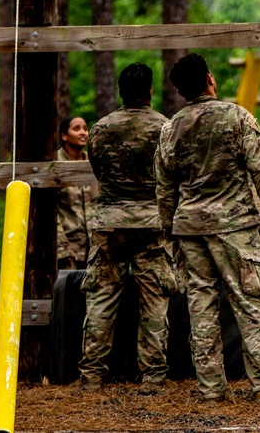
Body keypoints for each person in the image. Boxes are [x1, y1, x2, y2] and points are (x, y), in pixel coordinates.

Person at [154, 52, 260, 405]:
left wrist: (169, 232)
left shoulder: (169, 129)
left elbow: (164, 189)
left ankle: (211, 389)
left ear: (180, 91)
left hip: (189, 227)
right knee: (250, 301)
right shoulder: (237, 117)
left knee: (201, 307)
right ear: (210, 78)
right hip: (234, 225)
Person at [78, 65, 174, 390]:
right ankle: (153, 376)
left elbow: (97, 170)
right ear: (149, 90)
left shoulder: (101, 128)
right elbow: (172, 173)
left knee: (101, 298)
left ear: (120, 90)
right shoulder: (165, 128)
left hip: (110, 223)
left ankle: (91, 375)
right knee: (155, 299)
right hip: (152, 223)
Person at [56, 115, 98, 270]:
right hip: (67, 246)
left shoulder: (94, 162)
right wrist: (61, 248)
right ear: (64, 136)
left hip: (95, 246)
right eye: (77, 129)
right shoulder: (55, 164)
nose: (83, 133)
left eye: (85, 129)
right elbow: (49, 210)